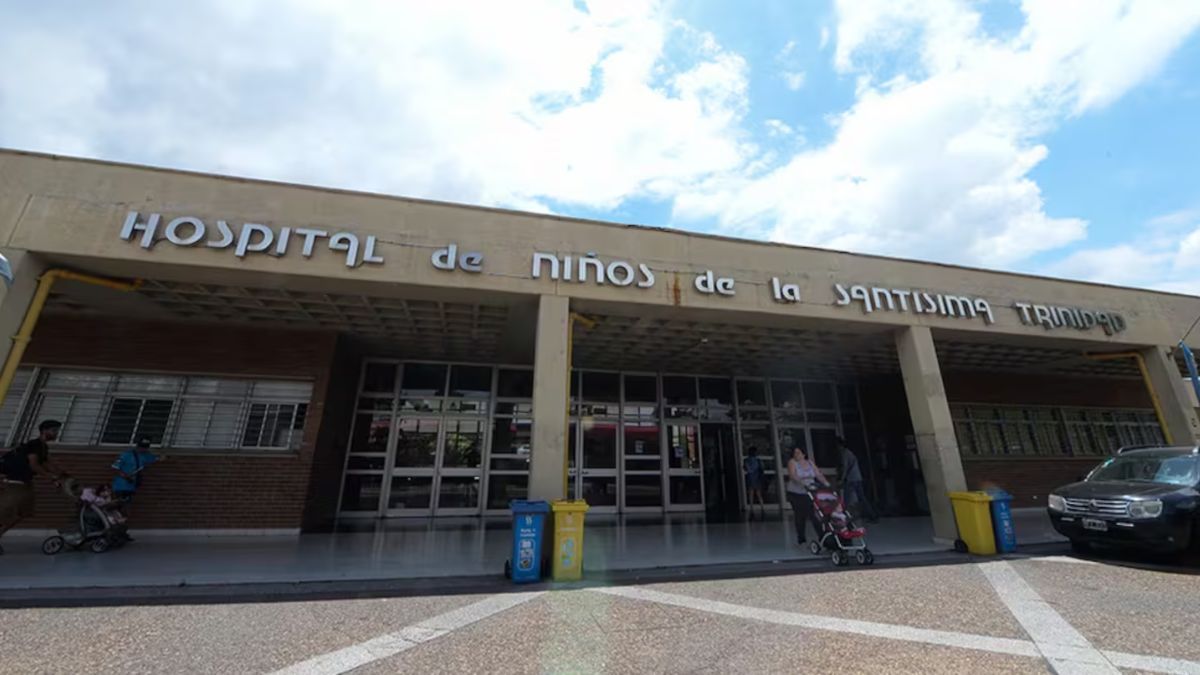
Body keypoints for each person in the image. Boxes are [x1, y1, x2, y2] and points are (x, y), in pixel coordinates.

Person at [0, 420, 66, 554]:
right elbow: (34, 465)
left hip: (26, 483)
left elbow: (47, 463)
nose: (56, 433)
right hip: (14, 483)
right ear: (44, 431)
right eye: (54, 430)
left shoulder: (43, 447)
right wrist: (52, 478)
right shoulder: (34, 445)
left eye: (57, 430)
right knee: (5, 513)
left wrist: (62, 475)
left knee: (23, 513)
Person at [111, 436, 166, 540]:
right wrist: (126, 476)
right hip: (121, 486)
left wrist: (161, 457)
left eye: (145, 447)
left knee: (126, 510)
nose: (143, 449)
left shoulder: (145, 456)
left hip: (131, 487)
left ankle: (122, 532)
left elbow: (155, 459)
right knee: (119, 510)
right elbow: (115, 467)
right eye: (142, 447)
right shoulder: (126, 455)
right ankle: (115, 532)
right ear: (137, 445)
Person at [785, 444, 829, 546]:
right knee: (800, 515)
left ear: (804, 453)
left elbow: (818, 474)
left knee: (815, 514)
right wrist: (801, 482)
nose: (796, 455)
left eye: (798, 453)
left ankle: (823, 537)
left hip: (810, 492)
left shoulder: (810, 462)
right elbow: (793, 475)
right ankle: (801, 539)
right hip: (796, 493)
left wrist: (825, 482)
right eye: (795, 453)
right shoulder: (792, 462)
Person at [838, 437, 878, 523]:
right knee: (861, 498)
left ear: (840, 446)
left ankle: (845, 517)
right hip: (857, 478)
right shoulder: (850, 453)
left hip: (851, 479)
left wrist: (842, 479)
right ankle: (872, 515)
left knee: (846, 499)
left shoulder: (845, 454)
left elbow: (845, 467)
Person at [743, 446, 767, 519]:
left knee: (751, 494)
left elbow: (746, 468)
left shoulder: (746, 460)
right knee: (759, 494)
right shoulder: (758, 460)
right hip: (757, 478)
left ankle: (751, 509)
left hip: (750, 478)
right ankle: (762, 508)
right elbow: (762, 468)